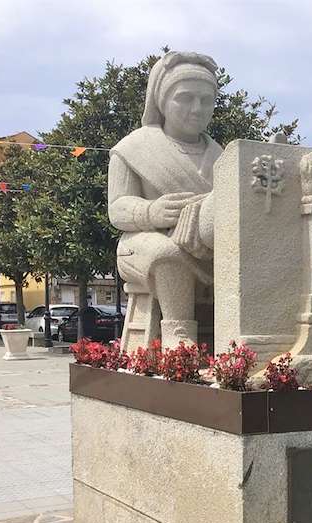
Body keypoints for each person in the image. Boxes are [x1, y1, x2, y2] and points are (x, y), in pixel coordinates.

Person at [108, 51, 221, 349]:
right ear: (162, 100)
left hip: (205, 244)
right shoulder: (133, 148)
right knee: (168, 252)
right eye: (185, 98)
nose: (197, 109)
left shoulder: (221, 156)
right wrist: (150, 212)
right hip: (143, 242)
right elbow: (117, 208)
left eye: (206, 100)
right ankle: (178, 335)